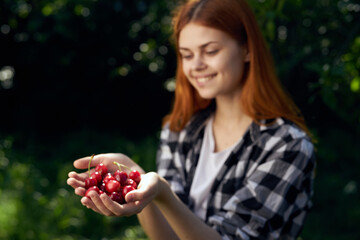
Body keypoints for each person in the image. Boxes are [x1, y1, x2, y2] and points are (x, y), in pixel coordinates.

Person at [67, 0, 316, 239]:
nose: (196, 65)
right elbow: (167, 238)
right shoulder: (181, 129)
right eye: (186, 55)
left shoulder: (287, 146)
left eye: (210, 51)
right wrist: (140, 185)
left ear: (247, 49)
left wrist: (163, 193)